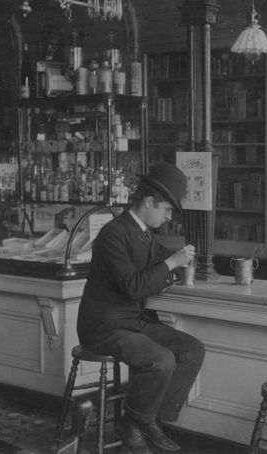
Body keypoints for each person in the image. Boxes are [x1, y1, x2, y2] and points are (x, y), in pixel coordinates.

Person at [77, 163, 205, 453]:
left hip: (131, 321)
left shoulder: (145, 234)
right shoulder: (113, 233)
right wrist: (172, 263)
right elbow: (133, 286)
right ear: (148, 202)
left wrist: (175, 264)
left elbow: (158, 268)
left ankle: (141, 422)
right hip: (103, 326)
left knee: (191, 350)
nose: (169, 217)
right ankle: (138, 422)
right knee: (160, 360)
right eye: (166, 209)